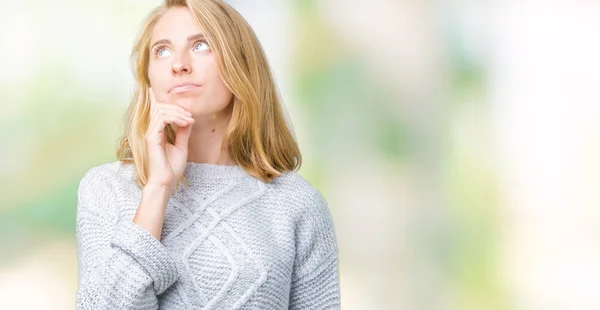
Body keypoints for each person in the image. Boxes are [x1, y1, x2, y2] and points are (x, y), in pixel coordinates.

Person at [74, 0, 340, 309]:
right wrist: (158, 190)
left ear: (240, 64)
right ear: (148, 80)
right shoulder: (106, 189)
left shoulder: (298, 204)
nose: (179, 64)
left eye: (201, 45)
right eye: (162, 51)